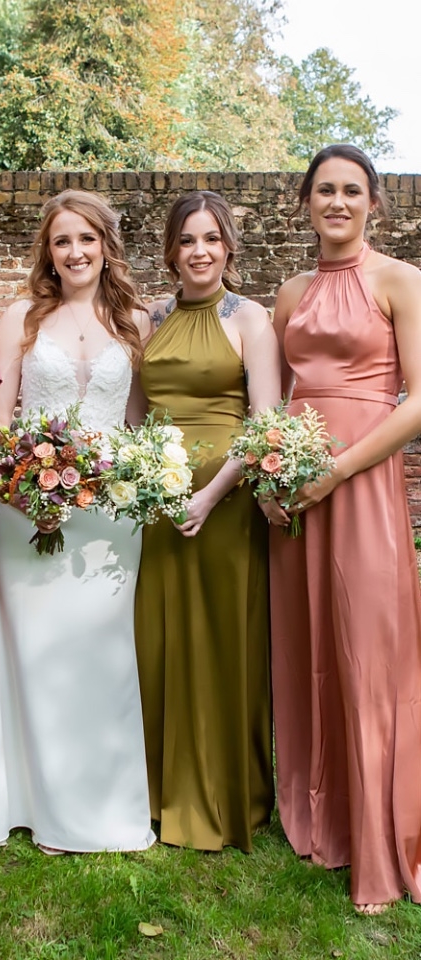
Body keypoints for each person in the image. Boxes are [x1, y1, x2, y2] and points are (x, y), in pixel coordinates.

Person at [0, 189, 155, 855]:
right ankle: (25, 802)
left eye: (87, 239)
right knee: (31, 651)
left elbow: (138, 420)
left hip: (113, 514)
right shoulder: (21, 317)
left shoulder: (135, 319)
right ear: (49, 250)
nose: (75, 252)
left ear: (106, 246)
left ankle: (97, 806)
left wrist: (148, 475)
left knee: (100, 655)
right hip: (26, 505)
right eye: (63, 241)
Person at [265, 144, 421, 914]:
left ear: (373, 204)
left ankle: (379, 835)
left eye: (351, 190)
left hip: (359, 482)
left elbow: (419, 401)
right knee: (306, 644)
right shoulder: (289, 293)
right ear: (306, 202)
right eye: (324, 190)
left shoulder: (401, 281)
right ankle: (316, 811)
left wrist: (342, 468)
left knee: (366, 649)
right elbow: (283, 395)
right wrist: (274, 477)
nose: (337, 202)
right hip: (294, 487)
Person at [135, 191, 279, 852]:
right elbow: (135, 410)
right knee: (158, 641)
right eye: (187, 239)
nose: (199, 251)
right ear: (170, 249)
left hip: (225, 501)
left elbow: (265, 422)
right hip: (158, 503)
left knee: (226, 636)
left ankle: (228, 795)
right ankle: (161, 793)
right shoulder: (149, 316)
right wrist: (144, 479)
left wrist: (211, 493)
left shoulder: (251, 318)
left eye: (211, 239)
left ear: (229, 248)